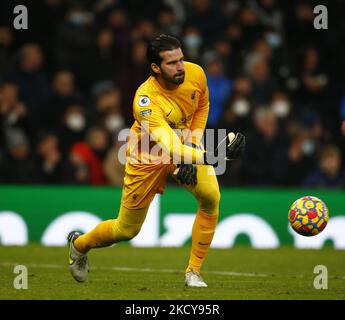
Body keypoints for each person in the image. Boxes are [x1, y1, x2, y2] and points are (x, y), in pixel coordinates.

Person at [66, 35, 245, 287]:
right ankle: (79, 244)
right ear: (155, 68)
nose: (180, 66)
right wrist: (212, 155)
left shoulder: (196, 73)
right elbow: (168, 146)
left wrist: (193, 146)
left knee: (210, 196)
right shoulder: (146, 100)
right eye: (172, 63)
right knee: (126, 230)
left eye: (181, 59)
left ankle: (193, 271)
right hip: (147, 155)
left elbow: (202, 104)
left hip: (185, 144)